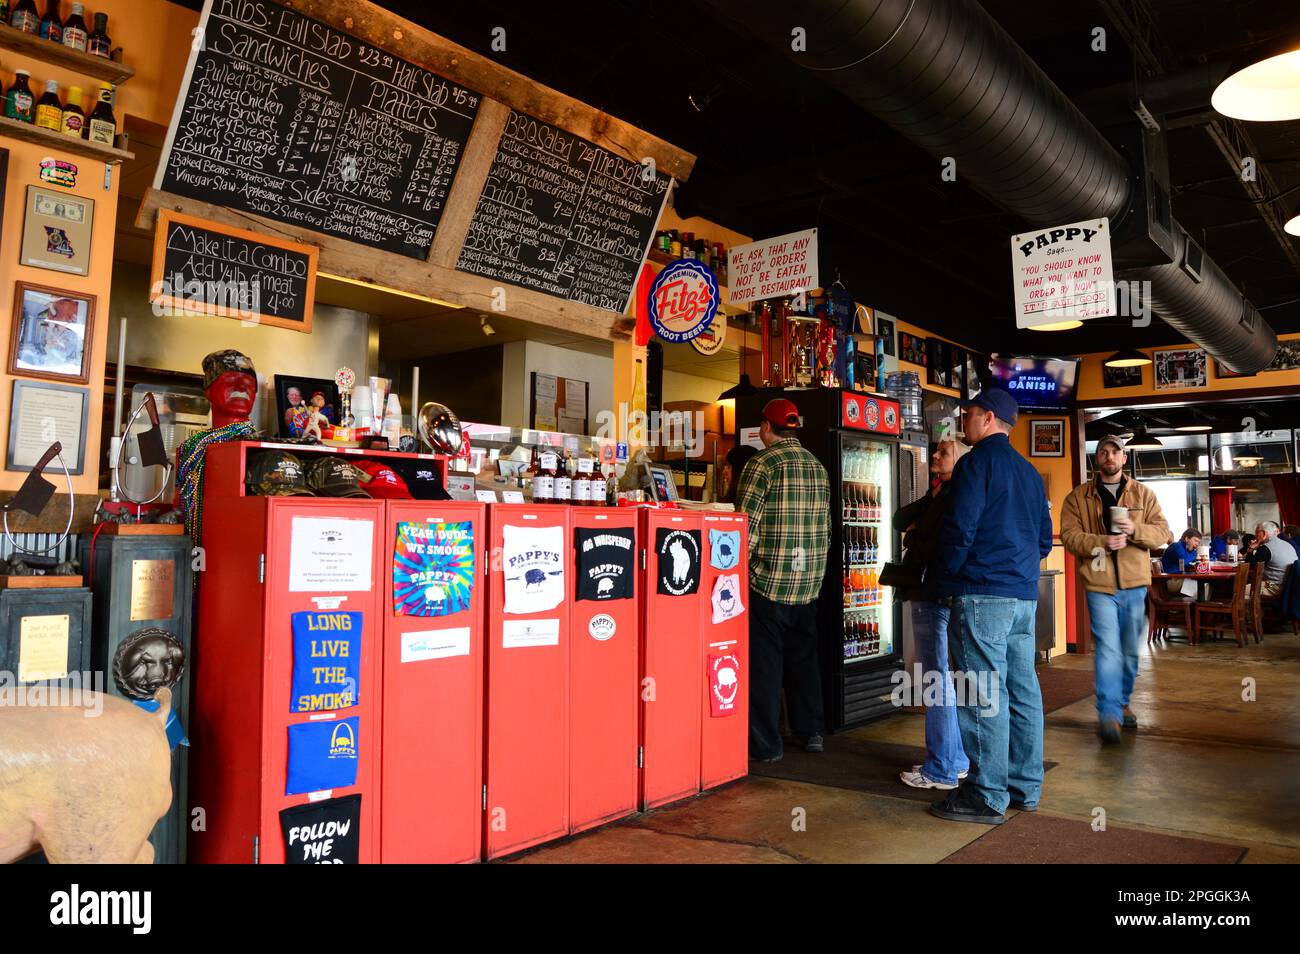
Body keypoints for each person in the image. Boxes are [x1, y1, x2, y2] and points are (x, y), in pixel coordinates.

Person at [928, 389, 1052, 825]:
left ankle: (986, 794)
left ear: (989, 418)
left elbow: (959, 529)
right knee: (1022, 691)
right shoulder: (1030, 472)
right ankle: (1024, 787)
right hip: (1022, 598)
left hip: (981, 594)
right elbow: (1042, 540)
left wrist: (944, 580)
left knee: (982, 694)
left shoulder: (975, 464)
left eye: (969, 414)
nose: (964, 421)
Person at [736, 398, 831, 762]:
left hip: (768, 583)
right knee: (804, 661)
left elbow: (746, 528)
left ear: (765, 427)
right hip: (808, 584)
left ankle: (766, 745)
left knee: (766, 666)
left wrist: (736, 573)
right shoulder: (817, 467)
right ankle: (811, 731)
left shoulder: (761, 464)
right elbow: (825, 529)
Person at [1060, 435, 1170, 745]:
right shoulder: (1078, 497)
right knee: (1107, 648)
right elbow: (1070, 537)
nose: (1109, 456)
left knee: (1129, 651)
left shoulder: (1143, 494)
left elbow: (1163, 533)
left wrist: (1136, 531)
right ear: (1097, 459)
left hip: (1135, 585)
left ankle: (1122, 702)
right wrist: (1101, 542)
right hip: (1099, 583)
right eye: (1103, 452)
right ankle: (1108, 713)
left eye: (1115, 452)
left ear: (1123, 459)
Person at [893, 435, 971, 790]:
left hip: (932, 593)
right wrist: (930, 495)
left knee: (936, 681)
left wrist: (913, 538)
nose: (936, 456)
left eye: (944, 453)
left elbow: (933, 542)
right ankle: (954, 761)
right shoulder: (942, 494)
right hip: (939, 593)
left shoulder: (955, 496)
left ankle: (940, 768)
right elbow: (899, 518)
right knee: (942, 680)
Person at [1247, 521, 1298, 599]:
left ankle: (1254, 611)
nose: (1255, 535)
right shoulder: (1287, 544)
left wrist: (1251, 549)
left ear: (1264, 534)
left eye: (1257, 532)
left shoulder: (1267, 548)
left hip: (1274, 587)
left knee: (1240, 590)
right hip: (1289, 586)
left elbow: (1250, 566)